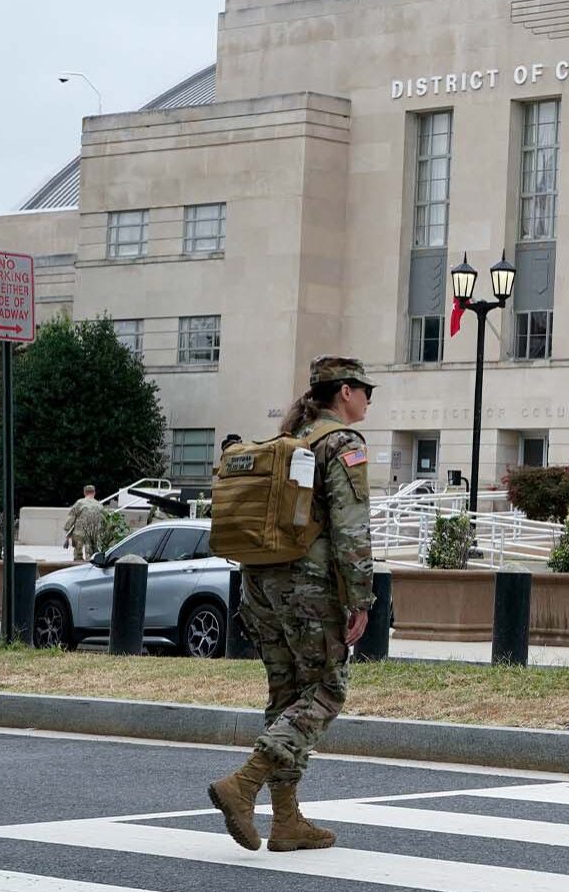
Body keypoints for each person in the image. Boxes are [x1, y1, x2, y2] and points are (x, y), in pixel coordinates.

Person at [208, 356, 375, 853]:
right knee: (327, 689)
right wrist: (360, 597)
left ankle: (286, 821)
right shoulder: (342, 443)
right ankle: (244, 783)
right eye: (366, 390)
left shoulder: (290, 439)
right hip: (308, 585)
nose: (369, 399)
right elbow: (351, 526)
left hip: (260, 583)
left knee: (286, 696)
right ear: (345, 392)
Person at [63, 485, 104, 562]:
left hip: (80, 533)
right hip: (94, 533)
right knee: (92, 555)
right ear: (94, 493)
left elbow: (71, 517)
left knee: (78, 555)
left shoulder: (80, 503)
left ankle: (78, 562)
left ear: (84, 492)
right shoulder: (99, 505)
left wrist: (67, 530)